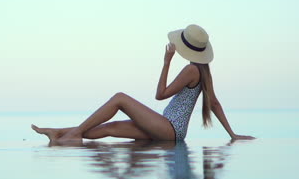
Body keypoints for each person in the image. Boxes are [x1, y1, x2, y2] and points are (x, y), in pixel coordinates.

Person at [32, 24, 255, 144]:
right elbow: (214, 103)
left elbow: (161, 94)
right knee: (108, 128)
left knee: (120, 98)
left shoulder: (190, 70)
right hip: (171, 130)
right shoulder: (203, 71)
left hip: (169, 128)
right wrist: (232, 134)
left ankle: (71, 136)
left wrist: (166, 62)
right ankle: (58, 132)